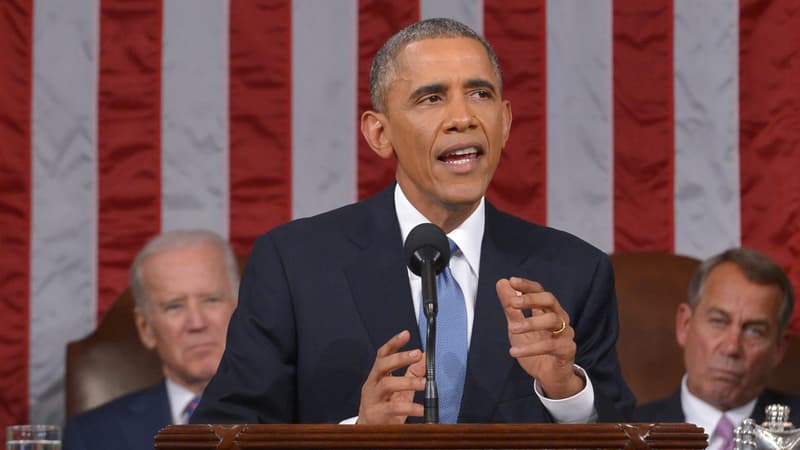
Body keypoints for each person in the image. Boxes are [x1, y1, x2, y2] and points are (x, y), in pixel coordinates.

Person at [193, 17, 633, 425]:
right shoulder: (295, 264)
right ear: (379, 134)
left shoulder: (574, 271)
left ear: (504, 121)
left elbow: (628, 433)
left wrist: (567, 393)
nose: (463, 118)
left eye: (480, 94)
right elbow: (222, 432)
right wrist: (355, 435)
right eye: (431, 98)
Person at [63, 229, 239, 450]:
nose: (197, 323)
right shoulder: (92, 436)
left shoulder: (292, 414)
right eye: (174, 306)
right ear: (145, 328)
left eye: (211, 300)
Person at [635, 248, 799, 449]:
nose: (731, 348)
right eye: (718, 322)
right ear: (685, 325)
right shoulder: (625, 434)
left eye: (754, 331)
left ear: (779, 348)